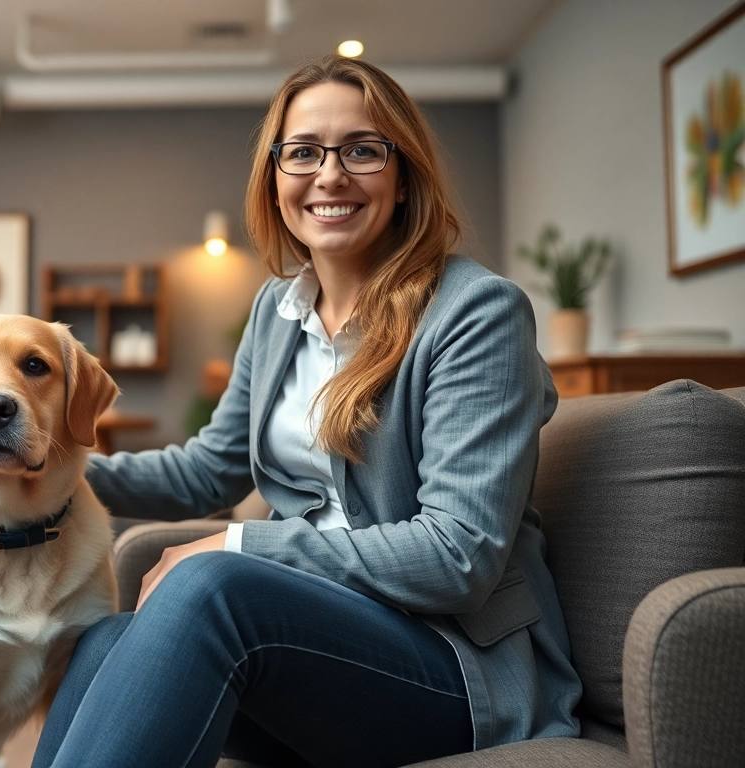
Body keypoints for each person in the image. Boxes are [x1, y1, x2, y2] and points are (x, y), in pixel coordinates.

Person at [31, 55, 582, 768]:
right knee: (106, 640)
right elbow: (209, 470)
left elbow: (459, 555)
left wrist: (239, 546)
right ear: (275, 176)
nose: (330, 175)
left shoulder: (475, 312)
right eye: (303, 153)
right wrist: (47, 473)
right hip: (320, 649)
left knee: (212, 585)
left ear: (404, 174)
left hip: (459, 669)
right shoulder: (276, 310)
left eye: (361, 149)